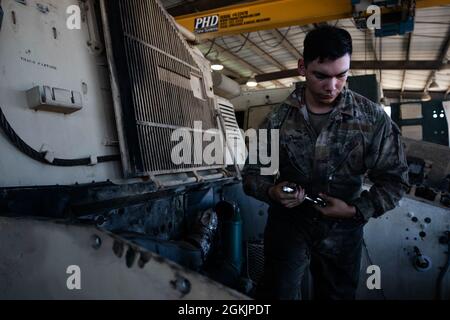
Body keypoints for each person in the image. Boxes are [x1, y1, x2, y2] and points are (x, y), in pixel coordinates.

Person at [243, 25, 409, 300]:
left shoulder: (372, 119)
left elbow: (395, 180)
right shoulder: (275, 121)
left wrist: (355, 210)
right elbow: (251, 176)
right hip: (289, 226)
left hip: (343, 231)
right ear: (302, 67)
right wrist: (272, 191)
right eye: (321, 75)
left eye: (341, 75)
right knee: (277, 293)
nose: (332, 86)